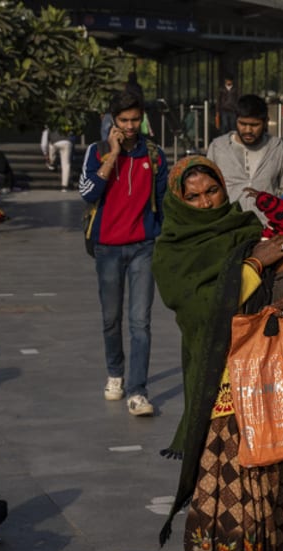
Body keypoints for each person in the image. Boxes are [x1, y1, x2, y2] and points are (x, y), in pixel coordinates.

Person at [152, 156, 283, 551]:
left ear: (225, 191)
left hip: (269, 381)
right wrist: (250, 266)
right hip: (221, 390)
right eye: (195, 195)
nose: (205, 202)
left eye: (212, 192)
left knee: (267, 498)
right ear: (180, 202)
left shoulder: (246, 227)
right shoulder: (172, 250)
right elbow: (202, 310)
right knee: (221, 503)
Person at [79, 89, 168, 416]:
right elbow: (87, 193)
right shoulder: (96, 151)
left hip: (144, 246)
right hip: (107, 248)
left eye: (135, 119)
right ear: (113, 121)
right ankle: (115, 373)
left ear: (142, 117)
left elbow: (164, 201)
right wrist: (112, 156)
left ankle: (138, 391)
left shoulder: (155, 155)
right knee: (110, 318)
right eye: (124, 120)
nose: (130, 126)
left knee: (140, 322)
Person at [206, 94, 283, 213]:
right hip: (229, 226)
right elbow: (208, 189)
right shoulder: (218, 148)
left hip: (267, 226)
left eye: (254, 125)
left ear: (266, 122)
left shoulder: (278, 148)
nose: (248, 130)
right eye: (242, 124)